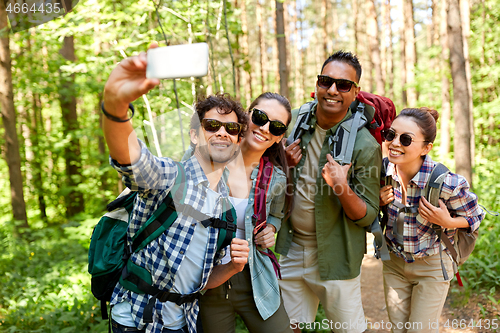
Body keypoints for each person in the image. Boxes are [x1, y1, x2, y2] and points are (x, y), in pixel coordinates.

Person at [102, 42, 250, 333]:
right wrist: (115, 105)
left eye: (231, 129)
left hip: (182, 324)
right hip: (135, 320)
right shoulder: (169, 176)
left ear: (237, 142)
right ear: (195, 135)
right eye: (211, 125)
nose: (222, 132)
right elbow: (130, 159)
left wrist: (232, 268)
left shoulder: (225, 208)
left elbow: (202, 282)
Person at [275, 50, 381, 333]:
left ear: (355, 92)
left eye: (343, 85)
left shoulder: (365, 146)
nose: (332, 90)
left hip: (336, 255)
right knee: (287, 328)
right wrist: (282, 162)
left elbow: (367, 215)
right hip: (290, 248)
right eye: (326, 81)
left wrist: (341, 187)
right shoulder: (294, 121)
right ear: (317, 84)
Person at [379, 107, 484, 333]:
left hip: (432, 267)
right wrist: (379, 201)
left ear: (426, 148)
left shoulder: (447, 183)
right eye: (391, 135)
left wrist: (448, 221)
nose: (395, 143)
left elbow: (476, 215)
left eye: (406, 139)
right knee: (399, 330)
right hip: (394, 264)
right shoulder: (384, 172)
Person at [198, 92, 294, 333]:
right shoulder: (207, 160)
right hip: (207, 282)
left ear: (279, 137)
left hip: (256, 278)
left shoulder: (276, 179)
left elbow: (276, 215)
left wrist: (271, 228)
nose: (264, 128)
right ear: (246, 116)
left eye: (276, 126)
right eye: (260, 117)